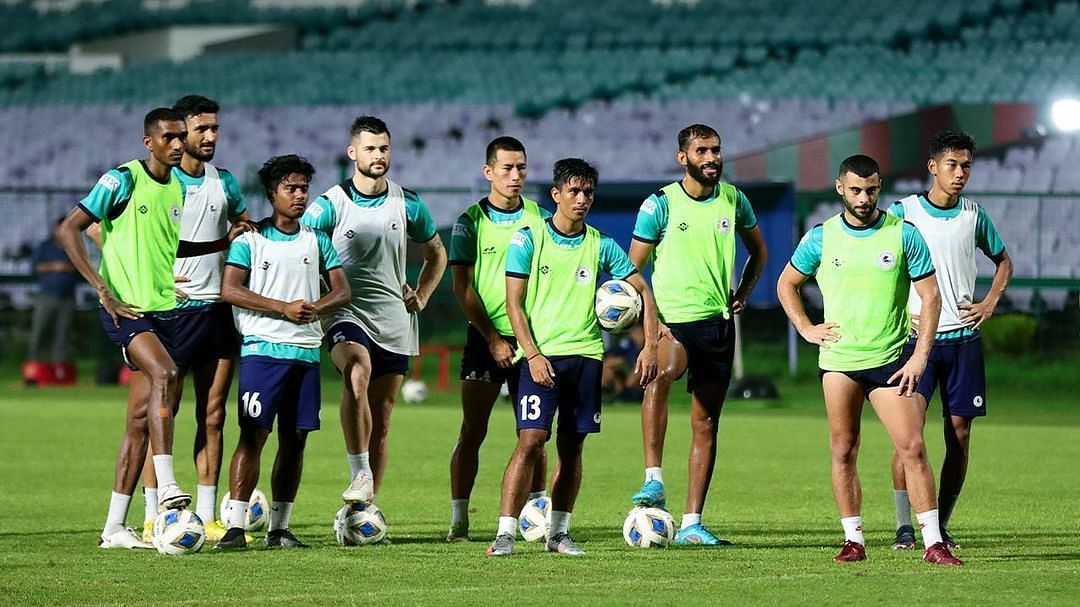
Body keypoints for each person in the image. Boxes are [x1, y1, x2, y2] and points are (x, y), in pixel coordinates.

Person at [776, 154, 961, 566]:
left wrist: (920, 357)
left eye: (872, 190)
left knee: (912, 447)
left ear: (880, 188)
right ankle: (853, 540)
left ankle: (933, 542)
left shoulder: (902, 234)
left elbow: (931, 297)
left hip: (891, 361)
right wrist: (806, 328)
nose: (864, 197)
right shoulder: (821, 237)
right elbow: (786, 283)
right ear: (840, 188)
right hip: (839, 361)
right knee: (843, 449)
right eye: (856, 190)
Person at [487, 158, 658, 557]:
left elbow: (643, 291)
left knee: (572, 447)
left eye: (588, 193)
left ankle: (559, 533)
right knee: (530, 440)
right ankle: (505, 534)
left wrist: (650, 345)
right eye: (574, 192)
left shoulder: (601, 244)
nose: (582, 200)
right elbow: (514, 304)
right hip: (540, 358)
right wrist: (531, 355)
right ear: (556, 194)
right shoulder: (528, 238)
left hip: (586, 357)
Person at [55, 107, 192, 549]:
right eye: (170, 137)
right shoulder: (122, 179)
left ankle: (114, 527)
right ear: (148, 141)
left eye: (181, 137)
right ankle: (169, 486)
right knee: (166, 375)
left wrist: (167, 278)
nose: (178, 144)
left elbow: (152, 243)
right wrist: (102, 288)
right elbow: (70, 229)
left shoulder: (176, 188)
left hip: (165, 309)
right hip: (127, 312)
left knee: (137, 420)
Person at [627, 124, 768, 545]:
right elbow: (632, 270)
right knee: (661, 374)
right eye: (702, 151)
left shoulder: (734, 199)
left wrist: (742, 292)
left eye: (716, 150)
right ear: (682, 157)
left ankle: (691, 523)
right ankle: (653, 478)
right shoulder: (659, 206)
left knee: (706, 423)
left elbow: (759, 251)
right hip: (674, 323)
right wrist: (651, 329)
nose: (711, 158)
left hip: (718, 325)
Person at [301, 115, 447, 511]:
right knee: (356, 371)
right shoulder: (328, 206)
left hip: (395, 318)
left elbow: (437, 253)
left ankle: (365, 510)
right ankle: (359, 471)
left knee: (381, 421)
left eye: (383, 148)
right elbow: (301, 254)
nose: (378, 155)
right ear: (353, 153)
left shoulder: (408, 202)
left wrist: (424, 293)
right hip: (345, 313)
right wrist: (318, 298)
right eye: (369, 148)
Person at [132, 95, 252, 543]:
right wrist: (151, 277)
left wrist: (245, 232)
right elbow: (102, 227)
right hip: (169, 312)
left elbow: (242, 227)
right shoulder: (158, 182)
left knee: (215, 415)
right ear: (179, 134)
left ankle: (205, 515)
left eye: (214, 129)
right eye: (200, 129)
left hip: (217, 311)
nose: (209, 137)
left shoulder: (225, 183)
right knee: (162, 412)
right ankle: (153, 512)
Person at [215, 155, 350, 550]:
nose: (299, 195)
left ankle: (279, 528)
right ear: (272, 193)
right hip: (261, 351)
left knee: (296, 440)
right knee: (252, 435)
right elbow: (230, 289)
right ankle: (237, 527)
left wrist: (315, 308)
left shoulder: (317, 240)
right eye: (290, 188)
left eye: (303, 188)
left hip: (306, 353)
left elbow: (342, 291)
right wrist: (282, 307)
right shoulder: (250, 240)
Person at [887, 130, 1012, 550]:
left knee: (959, 436)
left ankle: (938, 523)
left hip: (963, 341)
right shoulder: (901, 213)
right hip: (914, 342)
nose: (960, 173)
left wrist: (989, 302)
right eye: (952, 165)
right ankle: (907, 526)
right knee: (910, 436)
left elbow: (1003, 262)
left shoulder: (974, 215)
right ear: (933, 167)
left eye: (966, 166)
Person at [446, 136, 550, 542]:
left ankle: (538, 515)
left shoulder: (541, 218)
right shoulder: (469, 221)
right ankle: (459, 520)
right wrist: (491, 337)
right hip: (484, 339)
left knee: (535, 434)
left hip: (531, 340)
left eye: (521, 167)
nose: (515, 175)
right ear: (488, 172)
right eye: (506, 168)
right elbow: (462, 287)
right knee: (473, 430)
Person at [26, 217, 80, 382]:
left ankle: (59, 371)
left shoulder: (74, 246)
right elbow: (36, 267)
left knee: (62, 334)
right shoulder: (45, 247)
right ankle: (32, 369)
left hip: (67, 297)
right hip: (46, 296)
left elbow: (82, 267)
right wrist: (56, 266)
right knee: (39, 332)